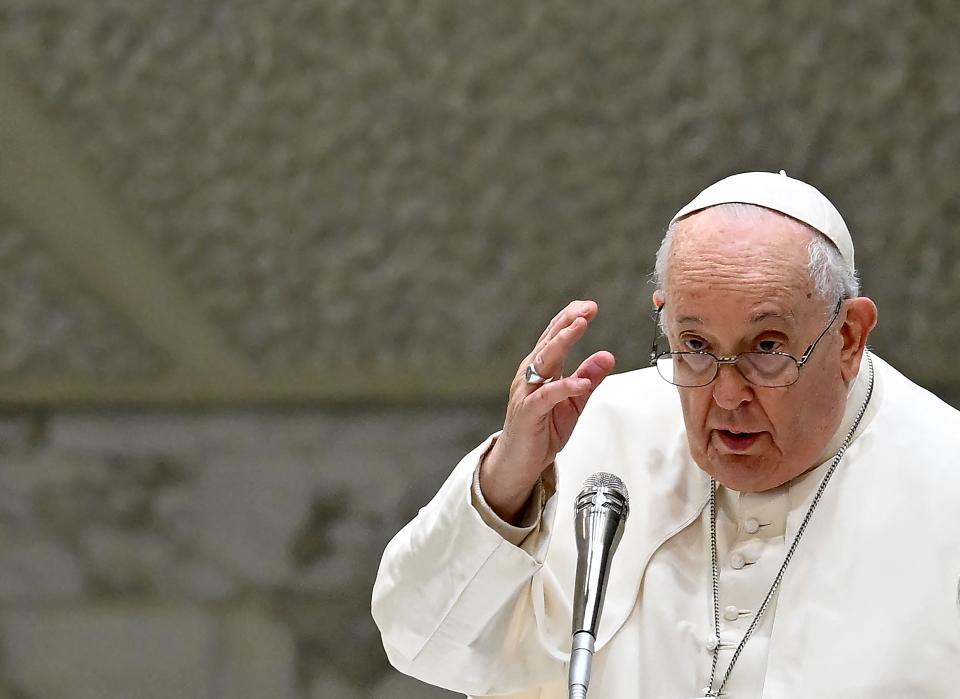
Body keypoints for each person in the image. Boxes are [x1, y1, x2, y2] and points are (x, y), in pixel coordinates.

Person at [371, 172, 960, 698]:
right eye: (696, 346)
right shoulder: (594, 434)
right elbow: (423, 644)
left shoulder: (944, 479)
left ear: (850, 336)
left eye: (768, 348)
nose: (727, 396)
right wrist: (506, 483)